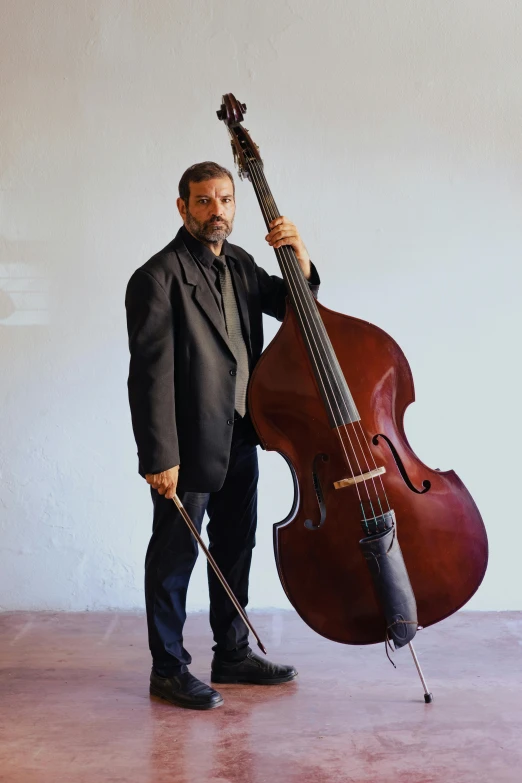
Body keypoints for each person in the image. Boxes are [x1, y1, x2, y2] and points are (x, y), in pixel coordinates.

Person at [125, 161, 320, 710]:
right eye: (205, 201)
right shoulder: (157, 277)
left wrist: (299, 257)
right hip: (185, 450)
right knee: (174, 557)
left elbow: (294, 309)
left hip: (241, 437)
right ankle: (167, 669)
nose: (217, 211)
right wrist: (158, 456)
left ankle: (231, 653)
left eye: (226, 200)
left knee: (236, 547)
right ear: (183, 207)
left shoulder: (240, 263)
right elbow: (150, 378)